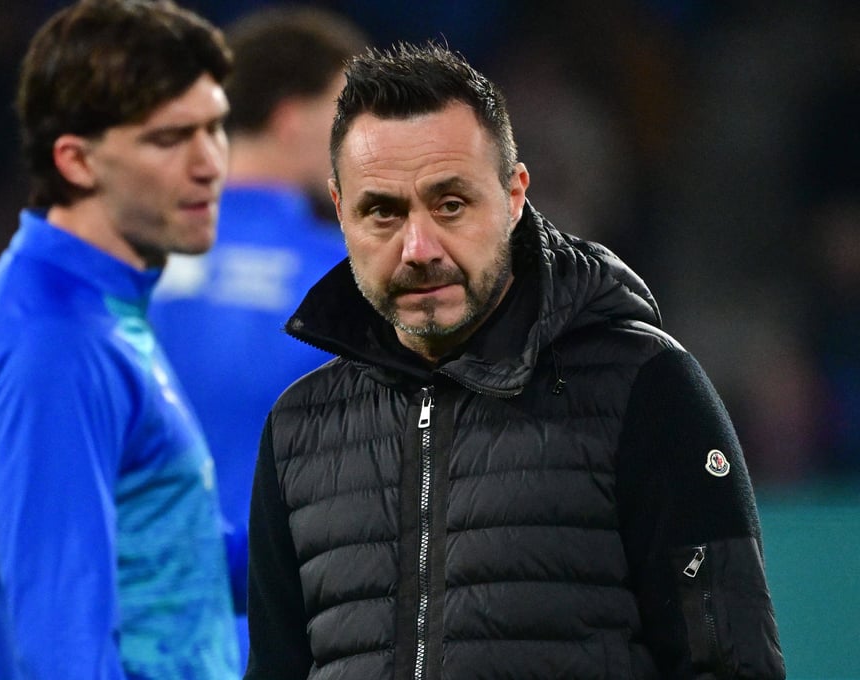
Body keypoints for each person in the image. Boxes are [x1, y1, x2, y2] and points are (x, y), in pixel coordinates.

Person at [244, 42, 785, 679]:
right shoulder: (298, 427)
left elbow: (731, 664)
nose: (419, 248)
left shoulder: (647, 388)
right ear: (340, 211)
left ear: (514, 195)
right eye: (382, 212)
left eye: (450, 204)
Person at [0, 1, 239, 677]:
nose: (210, 164)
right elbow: (62, 651)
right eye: (169, 139)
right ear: (76, 161)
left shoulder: (96, 307)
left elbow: (167, 559)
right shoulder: (55, 343)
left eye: (216, 127)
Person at [146, 5, 367, 667]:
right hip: (293, 639)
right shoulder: (351, 277)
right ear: (291, 117)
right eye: (345, 112)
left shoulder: (124, 265)